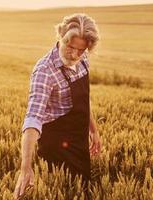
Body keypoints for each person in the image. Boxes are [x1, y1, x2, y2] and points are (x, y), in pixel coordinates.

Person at [14, 13, 102, 200]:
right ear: (60, 36)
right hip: (56, 145)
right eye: (70, 47)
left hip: (79, 139)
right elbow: (33, 119)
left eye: (81, 50)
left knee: (82, 189)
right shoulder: (44, 71)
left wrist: (93, 130)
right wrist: (25, 167)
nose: (75, 54)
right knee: (62, 191)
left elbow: (83, 99)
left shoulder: (83, 59)